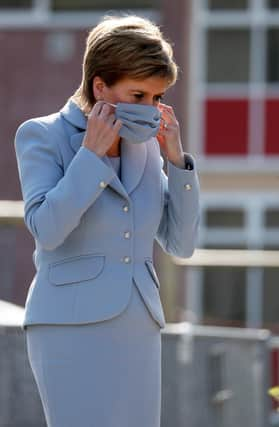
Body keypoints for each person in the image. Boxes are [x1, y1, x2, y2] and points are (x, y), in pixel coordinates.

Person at [14, 14, 200, 427]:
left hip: (138, 326)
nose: (150, 109)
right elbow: (46, 229)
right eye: (138, 95)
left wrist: (177, 162)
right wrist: (90, 157)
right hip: (67, 326)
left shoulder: (149, 150)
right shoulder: (42, 135)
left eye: (157, 97)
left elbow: (181, 244)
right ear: (100, 86)